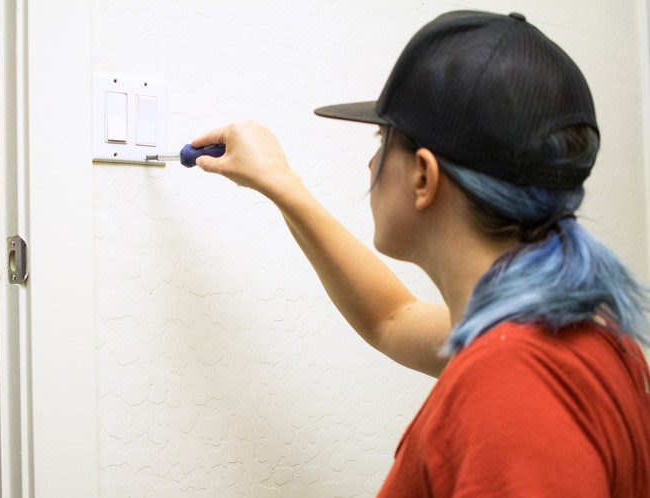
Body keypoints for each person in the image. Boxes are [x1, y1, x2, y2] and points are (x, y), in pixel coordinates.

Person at [191, 10, 650, 497]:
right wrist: (282, 186)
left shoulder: (512, 391)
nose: (371, 162)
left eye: (382, 140)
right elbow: (391, 317)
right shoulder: (585, 330)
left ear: (424, 178)